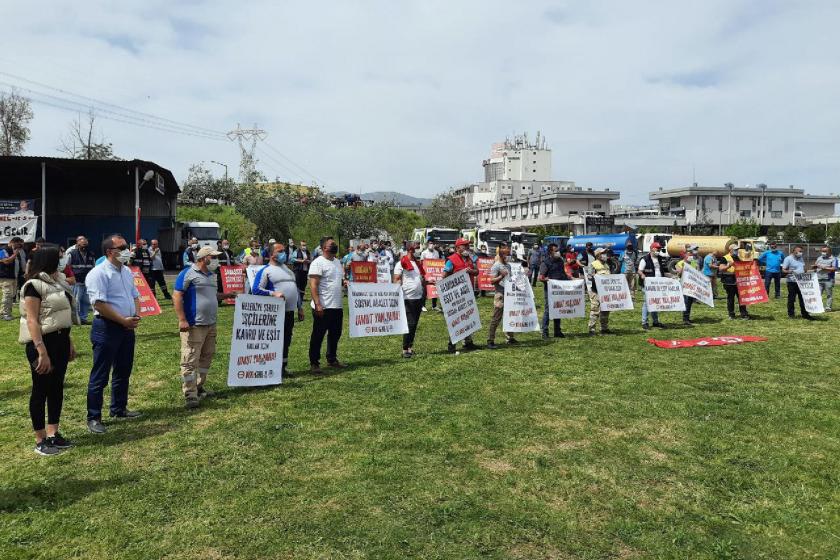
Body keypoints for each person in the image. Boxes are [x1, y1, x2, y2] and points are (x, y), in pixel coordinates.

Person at [19, 247, 78, 455]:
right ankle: (40, 438)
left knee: (56, 388)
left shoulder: (57, 282)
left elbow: (62, 316)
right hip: (42, 343)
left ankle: (54, 432)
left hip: (61, 341)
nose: (63, 261)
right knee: (40, 390)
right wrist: (41, 351)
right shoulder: (33, 286)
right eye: (59, 258)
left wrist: (69, 341)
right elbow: (33, 320)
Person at [84, 234, 142, 434]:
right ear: (110, 251)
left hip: (126, 328)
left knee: (123, 370)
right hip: (107, 328)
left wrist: (134, 316)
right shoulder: (98, 273)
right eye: (123, 247)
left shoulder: (126, 271)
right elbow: (99, 304)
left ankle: (118, 408)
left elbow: (135, 296)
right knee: (100, 375)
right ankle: (94, 417)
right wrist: (122, 320)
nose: (128, 250)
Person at [173, 247, 233, 408]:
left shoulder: (212, 276)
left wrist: (227, 295)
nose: (215, 260)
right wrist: (182, 319)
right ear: (203, 258)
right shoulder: (188, 273)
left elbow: (212, 295)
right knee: (190, 359)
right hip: (194, 324)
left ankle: (199, 386)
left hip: (210, 324)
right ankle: (190, 394)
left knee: (207, 356)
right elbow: (177, 295)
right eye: (212, 257)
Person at [253, 242, 298, 377]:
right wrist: (273, 294)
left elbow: (294, 288)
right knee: (275, 341)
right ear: (272, 254)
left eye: (284, 250)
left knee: (287, 340)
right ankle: (271, 368)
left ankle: (283, 367)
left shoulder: (288, 270)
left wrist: (300, 307)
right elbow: (256, 289)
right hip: (275, 313)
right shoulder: (265, 270)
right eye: (280, 251)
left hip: (290, 312)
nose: (283, 253)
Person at [308, 238, 348, 374]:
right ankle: (314, 362)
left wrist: (345, 283)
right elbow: (313, 285)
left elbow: (338, 280)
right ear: (324, 247)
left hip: (337, 305)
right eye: (332, 245)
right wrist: (318, 304)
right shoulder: (317, 263)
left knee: (335, 334)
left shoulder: (337, 262)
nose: (335, 246)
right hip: (323, 306)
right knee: (318, 335)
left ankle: (332, 359)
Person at [443, 238, 480, 353]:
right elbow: (444, 275)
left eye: (468, 245)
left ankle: (468, 342)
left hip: (468, 293)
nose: (467, 247)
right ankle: (452, 343)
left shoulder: (469, 258)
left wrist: (470, 271)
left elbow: (477, 271)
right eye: (464, 245)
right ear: (457, 248)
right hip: (456, 295)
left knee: (468, 316)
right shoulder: (451, 260)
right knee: (456, 319)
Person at [393, 243, 425, 358]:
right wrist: (399, 289)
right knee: (410, 324)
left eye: (415, 249)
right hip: (408, 298)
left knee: (415, 324)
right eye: (412, 249)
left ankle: (410, 347)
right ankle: (405, 349)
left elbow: (420, 278)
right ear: (408, 250)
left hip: (418, 297)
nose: (414, 251)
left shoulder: (417, 263)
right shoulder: (400, 263)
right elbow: (396, 279)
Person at [487, 242, 518, 349]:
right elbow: (491, 281)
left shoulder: (508, 265)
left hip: (509, 294)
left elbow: (510, 279)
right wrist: (501, 276)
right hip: (500, 295)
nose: (507, 256)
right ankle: (490, 340)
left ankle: (510, 337)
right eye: (505, 254)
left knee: (510, 316)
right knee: (496, 318)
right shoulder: (496, 266)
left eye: (508, 254)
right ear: (500, 253)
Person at [538, 243, 568, 339]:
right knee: (548, 310)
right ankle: (545, 332)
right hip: (550, 290)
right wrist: (547, 280)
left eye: (558, 250)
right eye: (556, 250)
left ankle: (557, 331)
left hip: (560, 289)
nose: (558, 252)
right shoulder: (545, 262)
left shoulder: (560, 261)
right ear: (551, 252)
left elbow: (563, 274)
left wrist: (572, 279)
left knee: (558, 309)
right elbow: (541, 277)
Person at [718, 243, 751, 320]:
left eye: (737, 249)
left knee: (741, 298)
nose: (737, 251)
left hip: (738, 281)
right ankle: (731, 314)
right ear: (731, 250)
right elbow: (721, 268)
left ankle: (744, 313)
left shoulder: (738, 257)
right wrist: (729, 265)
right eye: (735, 249)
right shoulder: (725, 258)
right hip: (728, 281)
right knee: (730, 298)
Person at [638, 242, 667, 330]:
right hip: (648, 285)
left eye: (659, 248)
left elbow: (661, 271)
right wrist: (642, 275)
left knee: (655, 303)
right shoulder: (645, 259)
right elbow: (639, 271)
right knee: (647, 303)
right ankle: (644, 322)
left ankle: (655, 322)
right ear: (651, 248)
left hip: (658, 285)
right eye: (656, 248)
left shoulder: (660, 259)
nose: (658, 250)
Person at [782, 246, 814, 320]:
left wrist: (810, 270)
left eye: (801, 251)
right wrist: (790, 271)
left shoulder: (801, 258)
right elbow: (783, 270)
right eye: (799, 251)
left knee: (803, 298)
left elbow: (803, 269)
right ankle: (791, 314)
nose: (800, 253)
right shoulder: (788, 259)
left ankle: (805, 314)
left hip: (801, 281)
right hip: (792, 282)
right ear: (794, 251)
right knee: (792, 298)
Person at [588, 248, 611, 336]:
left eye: (605, 253)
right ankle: (592, 329)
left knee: (606, 310)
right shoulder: (593, 264)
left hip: (606, 291)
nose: (605, 254)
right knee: (595, 310)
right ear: (598, 255)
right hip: (596, 291)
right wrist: (598, 278)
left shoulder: (606, 265)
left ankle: (604, 328)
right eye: (603, 253)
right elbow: (590, 276)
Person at [0, 237, 24, 321]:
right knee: (7, 294)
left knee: (12, 295)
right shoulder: (3, 249)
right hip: (5, 277)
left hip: (13, 277)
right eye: (18, 245)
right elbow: (6, 261)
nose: (19, 247)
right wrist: (15, 254)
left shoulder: (14, 251)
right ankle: (4, 314)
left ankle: (8, 313)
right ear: (13, 242)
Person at [675, 246, 700, 325]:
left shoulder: (693, 262)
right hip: (684, 285)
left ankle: (687, 317)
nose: (690, 256)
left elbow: (697, 272)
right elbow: (678, 274)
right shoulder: (679, 263)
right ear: (685, 256)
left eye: (691, 255)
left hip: (692, 285)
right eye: (688, 255)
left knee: (690, 302)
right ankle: (685, 318)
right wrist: (684, 265)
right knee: (686, 301)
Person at [292, 239, 311, 320]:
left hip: (305, 272)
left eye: (305, 245)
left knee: (303, 288)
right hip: (298, 271)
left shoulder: (308, 252)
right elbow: (292, 259)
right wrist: (301, 261)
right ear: (300, 246)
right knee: (297, 288)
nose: (304, 246)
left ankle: (300, 301)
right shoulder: (296, 251)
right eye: (303, 245)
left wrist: (308, 261)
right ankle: (299, 306)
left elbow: (311, 259)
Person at [420, 241, 441, 312]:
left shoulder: (436, 252)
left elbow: (438, 262)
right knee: (425, 290)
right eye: (430, 243)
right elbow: (421, 263)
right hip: (426, 273)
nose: (431, 245)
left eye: (433, 243)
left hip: (434, 273)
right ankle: (422, 305)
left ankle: (434, 305)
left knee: (434, 289)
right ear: (427, 244)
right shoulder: (424, 253)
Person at [814, 245, 836, 311]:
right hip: (819, 279)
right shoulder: (819, 258)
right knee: (818, 294)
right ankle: (818, 306)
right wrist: (814, 267)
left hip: (828, 279)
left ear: (829, 251)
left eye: (825, 251)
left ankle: (828, 307)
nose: (823, 252)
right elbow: (816, 265)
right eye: (822, 251)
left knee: (829, 294)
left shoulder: (833, 259)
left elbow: (834, 268)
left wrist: (824, 267)